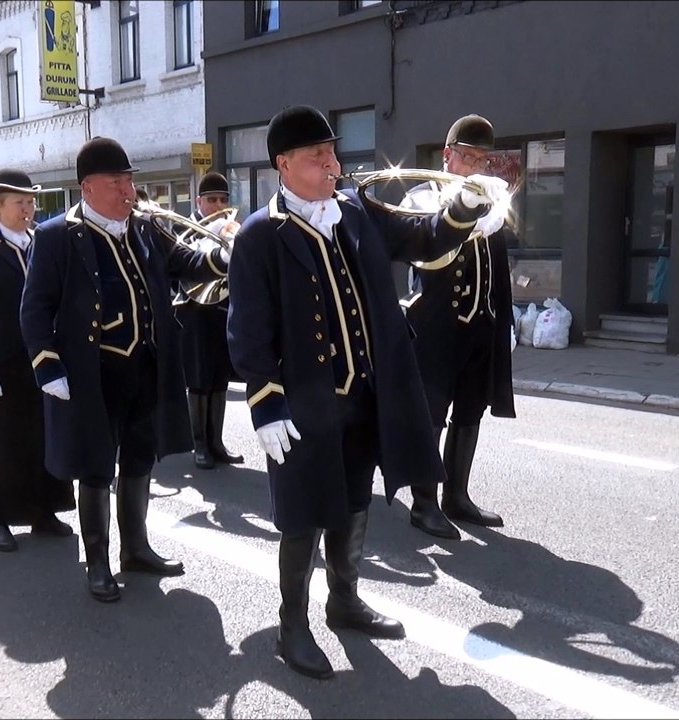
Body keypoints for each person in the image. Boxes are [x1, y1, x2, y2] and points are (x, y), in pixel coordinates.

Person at [225, 105, 502, 679]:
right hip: (300, 405)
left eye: (331, 151)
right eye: (315, 155)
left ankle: (344, 600)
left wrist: (461, 209)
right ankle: (291, 625)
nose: (331, 162)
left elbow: (423, 239)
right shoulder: (260, 234)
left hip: (365, 395)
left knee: (353, 501)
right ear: (283, 164)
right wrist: (265, 402)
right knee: (302, 515)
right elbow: (247, 327)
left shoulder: (356, 209)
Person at [21, 137, 230, 602]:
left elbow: (183, 262)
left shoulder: (144, 228)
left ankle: (135, 548)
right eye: (117, 182)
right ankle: (98, 560)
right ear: (88, 187)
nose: (128, 190)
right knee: (95, 467)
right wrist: (46, 365)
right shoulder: (58, 236)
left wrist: (221, 257)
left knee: (139, 459)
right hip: (91, 374)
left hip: (146, 366)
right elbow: (35, 307)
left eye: (130, 180)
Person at [400, 114, 516, 540]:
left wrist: (505, 320)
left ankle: (457, 496)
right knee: (432, 415)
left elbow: (497, 266)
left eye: (482, 159)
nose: (474, 166)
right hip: (434, 326)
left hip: (480, 324)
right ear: (447, 155)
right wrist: (472, 213)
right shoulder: (421, 196)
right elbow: (428, 249)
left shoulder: (490, 197)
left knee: (471, 409)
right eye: (467, 156)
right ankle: (424, 504)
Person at [0, 168, 76, 552]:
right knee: (3, 442)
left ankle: (45, 509)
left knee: (45, 436)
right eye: (19, 203)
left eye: (31, 202)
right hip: (3, 358)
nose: (28, 209)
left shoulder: (41, 240)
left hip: (43, 356)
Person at [174, 171, 244, 469]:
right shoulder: (185, 231)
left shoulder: (230, 227)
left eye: (223, 199)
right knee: (199, 380)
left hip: (221, 309)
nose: (218, 205)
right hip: (193, 312)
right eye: (212, 199)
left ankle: (216, 442)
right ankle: (199, 445)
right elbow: (181, 268)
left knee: (219, 379)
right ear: (198, 201)